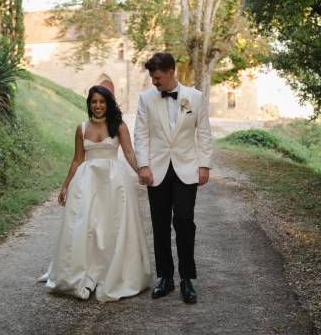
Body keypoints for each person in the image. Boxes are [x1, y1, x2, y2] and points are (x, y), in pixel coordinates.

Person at [39, 85, 151, 302]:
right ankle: (84, 271)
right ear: (89, 104)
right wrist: (65, 186)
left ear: (108, 103)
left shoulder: (118, 126)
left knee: (112, 225)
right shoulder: (81, 128)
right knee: (85, 226)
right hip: (87, 181)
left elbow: (128, 152)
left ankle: (111, 272)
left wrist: (141, 172)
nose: (98, 106)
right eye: (94, 102)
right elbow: (77, 159)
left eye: (102, 101)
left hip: (113, 182)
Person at [135, 52, 212, 304]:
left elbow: (204, 134)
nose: (154, 83)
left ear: (171, 73)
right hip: (156, 169)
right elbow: (141, 135)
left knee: (184, 221)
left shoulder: (195, 97)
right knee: (159, 224)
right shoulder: (145, 99)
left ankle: (186, 279)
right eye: (152, 78)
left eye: (157, 78)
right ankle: (165, 278)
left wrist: (204, 166)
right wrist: (143, 166)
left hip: (186, 168)